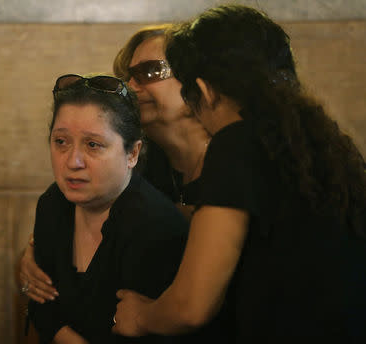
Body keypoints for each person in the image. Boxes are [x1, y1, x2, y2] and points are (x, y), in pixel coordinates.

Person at [112, 5, 366, 343]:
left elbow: (191, 306)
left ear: (203, 90)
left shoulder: (237, 143)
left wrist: (140, 316)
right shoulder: (309, 146)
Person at [19, 23, 211, 304]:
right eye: (128, 76)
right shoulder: (137, 162)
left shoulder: (234, 160)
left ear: (197, 79)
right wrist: (34, 254)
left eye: (149, 72)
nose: (132, 87)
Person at [27, 73, 191, 343]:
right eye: (61, 142)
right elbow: (41, 304)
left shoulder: (153, 225)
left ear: (132, 154)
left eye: (93, 145)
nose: (73, 161)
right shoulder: (53, 203)